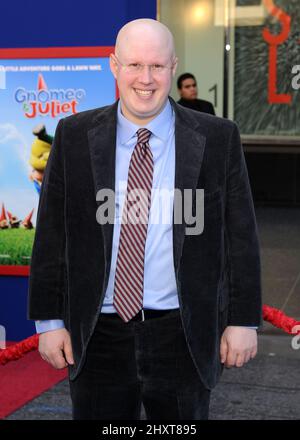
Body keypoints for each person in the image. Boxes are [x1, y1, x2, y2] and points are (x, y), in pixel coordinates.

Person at [28, 18, 262, 420]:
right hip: (97, 334)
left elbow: (240, 235)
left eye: (157, 66)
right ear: (114, 65)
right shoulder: (74, 135)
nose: (146, 79)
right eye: (135, 65)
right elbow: (51, 234)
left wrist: (244, 321)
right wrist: (48, 322)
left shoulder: (218, 137)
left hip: (182, 335)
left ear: (173, 67)